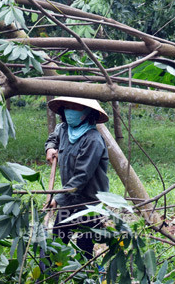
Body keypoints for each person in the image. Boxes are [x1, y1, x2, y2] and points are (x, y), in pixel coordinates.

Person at [45, 96, 110, 260]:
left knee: (84, 246)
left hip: (89, 203)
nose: (70, 112)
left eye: (76, 108)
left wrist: (57, 198)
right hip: (69, 199)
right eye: (67, 107)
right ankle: (48, 277)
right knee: (57, 242)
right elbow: (53, 137)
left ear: (88, 112)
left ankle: (86, 276)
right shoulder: (63, 129)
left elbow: (82, 175)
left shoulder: (93, 140)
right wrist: (51, 148)